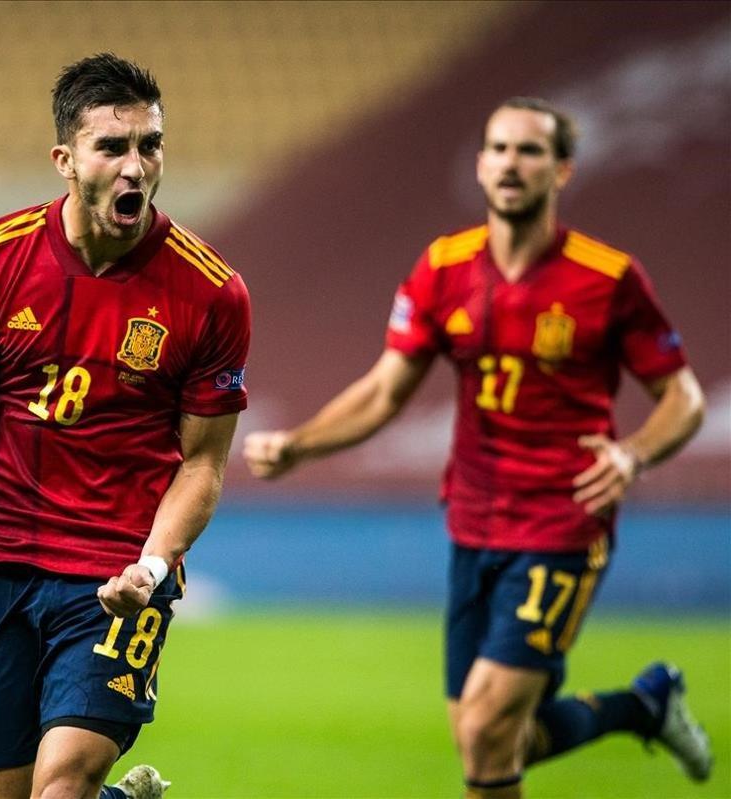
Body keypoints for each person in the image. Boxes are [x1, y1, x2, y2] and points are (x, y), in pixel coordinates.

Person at [243, 97, 711, 799]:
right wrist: (300, 446)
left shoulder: (607, 278)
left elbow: (685, 397)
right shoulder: (442, 267)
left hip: (563, 521)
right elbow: (384, 391)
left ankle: (640, 705)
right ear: (481, 164)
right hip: (474, 518)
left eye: (528, 151)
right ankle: (643, 705)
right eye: (497, 148)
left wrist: (632, 455)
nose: (510, 163)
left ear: (562, 171)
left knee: (489, 725)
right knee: (490, 738)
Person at [0, 53, 250, 799]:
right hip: (3, 565)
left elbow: (203, 464)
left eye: (150, 145)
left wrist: (156, 566)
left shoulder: (211, 294)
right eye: (113, 147)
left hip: (117, 573)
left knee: (61, 783)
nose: (136, 166)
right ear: (66, 160)